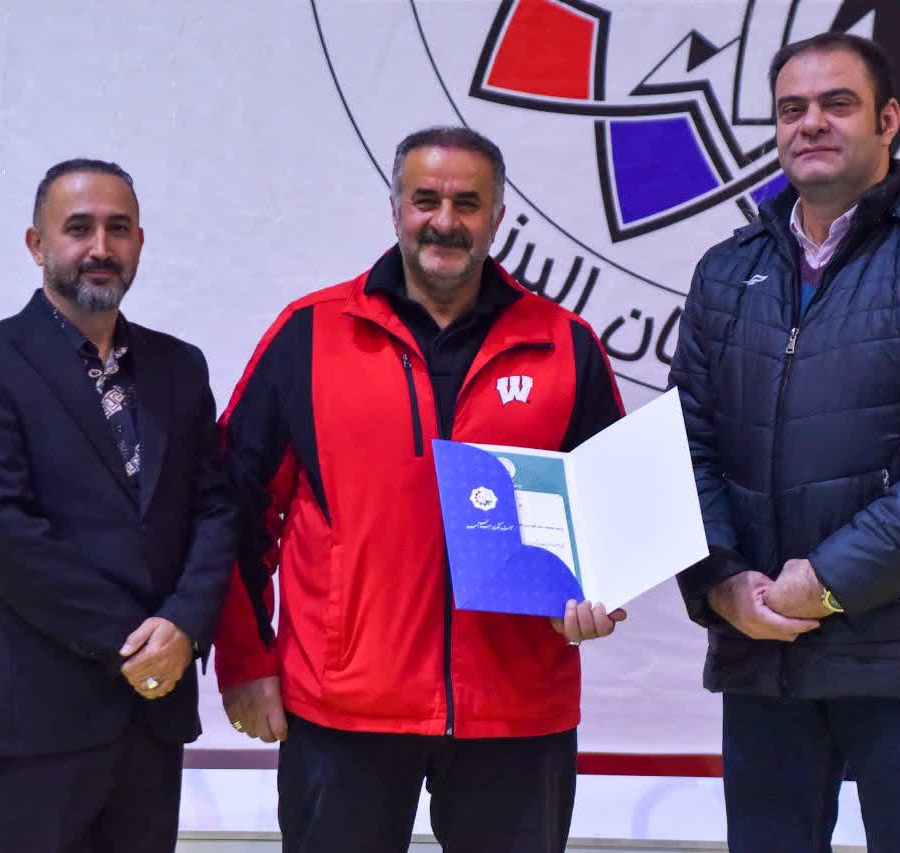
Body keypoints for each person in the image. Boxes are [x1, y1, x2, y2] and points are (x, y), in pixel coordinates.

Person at [669, 33, 900, 853]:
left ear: (888, 120)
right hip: (761, 652)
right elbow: (686, 448)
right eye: (791, 109)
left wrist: (830, 581)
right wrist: (722, 581)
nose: (811, 124)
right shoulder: (726, 272)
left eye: (837, 104)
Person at [213, 126, 625, 852]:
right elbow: (234, 507)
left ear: (499, 217)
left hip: (516, 710)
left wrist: (601, 590)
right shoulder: (309, 334)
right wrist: (246, 662)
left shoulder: (564, 344)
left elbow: (609, 514)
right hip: (343, 709)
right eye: (425, 199)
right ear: (396, 208)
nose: (445, 220)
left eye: (468, 203)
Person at [0, 159, 238, 853]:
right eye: (79, 228)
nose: (101, 247)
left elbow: (215, 509)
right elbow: (6, 533)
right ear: (37, 244)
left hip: (154, 712)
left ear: (140, 242)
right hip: (40, 712)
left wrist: (185, 625)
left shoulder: (179, 366)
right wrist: (137, 645)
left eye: (118, 228)